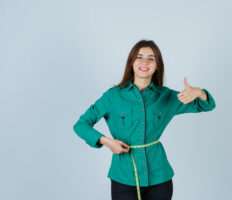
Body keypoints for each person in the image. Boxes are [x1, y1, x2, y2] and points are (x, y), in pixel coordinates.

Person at [73, 39, 216, 200]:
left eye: (151, 58)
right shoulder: (113, 96)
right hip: (124, 177)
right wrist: (107, 142)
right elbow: (80, 125)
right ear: (131, 62)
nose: (144, 62)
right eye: (139, 57)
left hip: (159, 178)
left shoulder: (166, 96)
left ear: (157, 65)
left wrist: (199, 92)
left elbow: (206, 105)